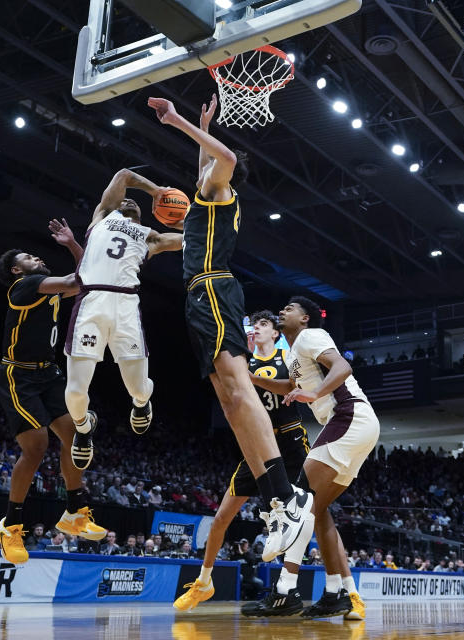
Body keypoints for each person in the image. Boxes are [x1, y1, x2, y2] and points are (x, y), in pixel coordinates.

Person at [147, 94, 313, 562]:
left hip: (216, 291)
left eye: (208, 166)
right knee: (228, 400)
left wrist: (178, 120)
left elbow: (224, 158)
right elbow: (210, 165)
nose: (200, 171)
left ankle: (285, 498)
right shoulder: (207, 203)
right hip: (200, 295)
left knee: (240, 391)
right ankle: (277, 502)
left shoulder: (220, 189)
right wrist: (204, 125)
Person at [241, 296, 379, 620]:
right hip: (356, 425)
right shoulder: (293, 352)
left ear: (305, 319)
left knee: (298, 501)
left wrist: (315, 394)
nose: (283, 310)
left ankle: (285, 592)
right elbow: (290, 384)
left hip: (348, 417)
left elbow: (344, 366)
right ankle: (335, 593)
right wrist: (252, 378)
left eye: (290, 308)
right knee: (316, 511)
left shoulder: (311, 335)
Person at [174, 310, 310, 612]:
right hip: (256, 446)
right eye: (255, 324)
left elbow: (293, 388)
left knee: (301, 518)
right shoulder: (241, 362)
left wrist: (251, 379)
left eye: (264, 324)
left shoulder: (288, 357)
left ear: (275, 333)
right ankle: (204, 581)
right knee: (222, 517)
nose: (258, 328)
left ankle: (288, 588)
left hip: (289, 443)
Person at [0, 229, 106, 565]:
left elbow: (85, 282)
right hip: (18, 374)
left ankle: (75, 511)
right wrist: (72, 244)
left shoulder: (45, 285)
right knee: (37, 445)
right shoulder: (24, 286)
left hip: (48, 373)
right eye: (28, 258)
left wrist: (74, 245)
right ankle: (10, 525)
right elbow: (77, 279)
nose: (36, 258)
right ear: (17, 270)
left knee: (76, 438)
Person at [62, 169, 184, 470]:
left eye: (135, 204)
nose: (128, 200)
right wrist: (157, 191)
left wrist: (183, 220)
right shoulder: (103, 215)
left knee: (139, 389)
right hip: (91, 302)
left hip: (126, 306)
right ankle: (82, 428)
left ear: (143, 219)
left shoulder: (150, 239)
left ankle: (142, 404)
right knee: (76, 391)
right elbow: (124, 175)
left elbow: (191, 239)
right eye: (124, 200)